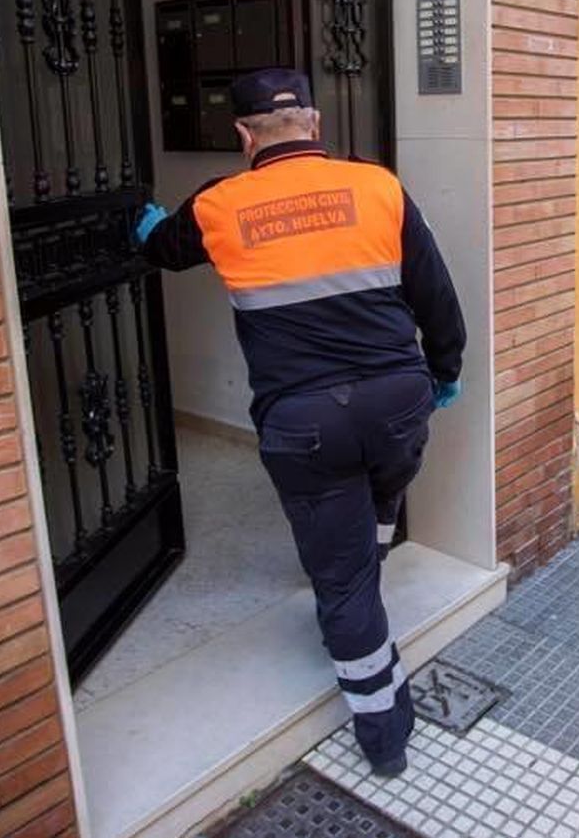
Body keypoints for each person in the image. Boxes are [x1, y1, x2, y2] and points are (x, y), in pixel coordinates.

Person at [136, 68, 465, 777]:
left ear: (244, 135)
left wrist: (146, 228)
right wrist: (445, 371)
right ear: (315, 126)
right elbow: (435, 292)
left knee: (341, 586)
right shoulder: (378, 185)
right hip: (398, 399)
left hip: (304, 423)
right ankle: (368, 556)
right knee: (383, 482)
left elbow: (163, 250)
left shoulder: (220, 202)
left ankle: (384, 734)